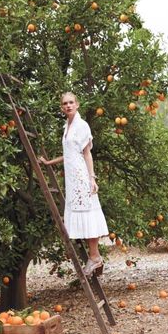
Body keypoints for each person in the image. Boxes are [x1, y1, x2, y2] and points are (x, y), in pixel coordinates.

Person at [38, 92, 108, 277]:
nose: (68, 105)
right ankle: (95, 257)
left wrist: (92, 178)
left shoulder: (82, 125)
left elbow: (86, 154)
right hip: (72, 177)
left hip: (82, 176)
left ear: (77, 104)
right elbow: (69, 154)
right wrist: (48, 163)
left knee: (89, 214)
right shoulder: (66, 126)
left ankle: (94, 257)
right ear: (62, 107)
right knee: (82, 214)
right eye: (64, 103)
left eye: (71, 102)